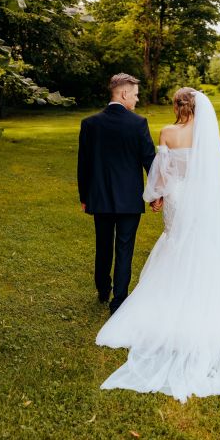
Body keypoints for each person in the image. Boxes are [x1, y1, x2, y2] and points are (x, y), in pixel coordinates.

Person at [95, 87, 220, 403]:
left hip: (176, 196)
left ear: (177, 106)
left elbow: (162, 173)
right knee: (199, 246)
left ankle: (170, 302)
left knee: (175, 242)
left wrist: (156, 197)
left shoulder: (168, 132)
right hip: (200, 199)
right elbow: (215, 174)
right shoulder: (206, 136)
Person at [77, 73, 162, 315]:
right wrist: (156, 193)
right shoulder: (138, 123)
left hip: (100, 197)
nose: (137, 99)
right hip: (128, 200)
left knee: (103, 244)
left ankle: (103, 290)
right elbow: (150, 162)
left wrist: (85, 197)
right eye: (135, 95)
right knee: (125, 248)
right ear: (124, 93)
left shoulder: (90, 124)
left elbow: (83, 165)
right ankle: (119, 300)